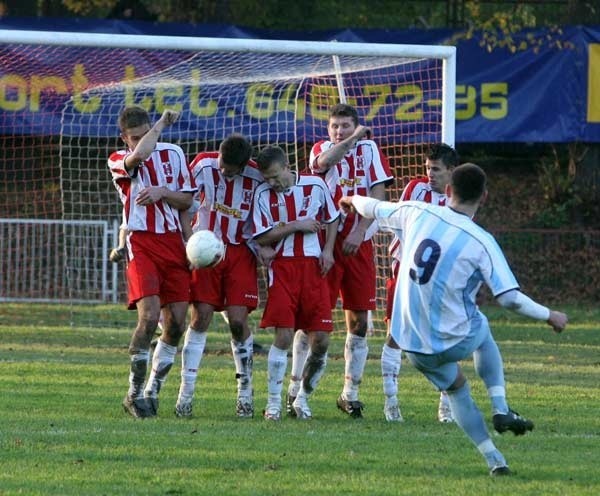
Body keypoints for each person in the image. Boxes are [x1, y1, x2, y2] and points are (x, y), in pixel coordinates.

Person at [339, 162, 567, 475]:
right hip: (458, 339)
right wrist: (550, 315)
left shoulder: (417, 211)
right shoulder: (482, 241)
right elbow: (510, 298)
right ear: (484, 197)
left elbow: (373, 206)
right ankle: (500, 407)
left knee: (458, 390)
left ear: (448, 191)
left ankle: (495, 460)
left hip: (412, 344)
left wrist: (351, 199)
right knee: (482, 327)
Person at [107, 106, 196, 418]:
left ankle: (153, 390)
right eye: (135, 137)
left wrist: (163, 193)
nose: (142, 140)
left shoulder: (173, 152)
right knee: (148, 318)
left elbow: (187, 200)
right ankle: (132, 393)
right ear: (124, 138)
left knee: (177, 324)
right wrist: (159, 124)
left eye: (145, 133)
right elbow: (140, 156)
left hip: (173, 242)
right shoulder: (118, 159)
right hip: (141, 242)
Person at [308, 103, 393, 418]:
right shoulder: (323, 148)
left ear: (355, 125)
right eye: (334, 126)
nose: (338, 131)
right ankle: (296, 392)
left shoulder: (370, 150)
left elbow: (379, 194)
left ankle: (349, 393)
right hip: (324, 245)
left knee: (358, 321)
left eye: (345, 125)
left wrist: (360, 231)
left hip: (359, 245)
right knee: (315, 320)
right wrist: (352, 138)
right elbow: (323, 164)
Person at [174, 134, 265, 419]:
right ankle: (185, 395)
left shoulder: (257, 175)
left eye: (230, 169)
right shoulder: (203, 164)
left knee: (238, 322)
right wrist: (190, 244)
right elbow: (184, 200)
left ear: (243, 166)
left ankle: (245, 394)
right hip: (205, 248)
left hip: (240, 252)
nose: (224, 171)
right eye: (222, 165)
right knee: (200, 317)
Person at [253, 145, 339, 421]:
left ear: (287, 166)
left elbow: (332, 218)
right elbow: (262, 237)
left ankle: (301, 398)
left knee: (322, 341)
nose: (273, 183)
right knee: (283, 336)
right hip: (283, 268)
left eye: (276, 176)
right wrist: (296, 225)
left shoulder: (315, 185)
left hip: (314, 267)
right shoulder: (262, 194)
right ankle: (273, 404)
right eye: (268, 178)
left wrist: (328, 251)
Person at [381, 143, 459, 423]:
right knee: (396, 334)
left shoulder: (460, 199)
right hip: (403, 270)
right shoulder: (414, 189)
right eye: (427, 168)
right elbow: (395, 221)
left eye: (436, 169)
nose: (429, 174)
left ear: (451, 171)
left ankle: (446, 407)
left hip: (439, 276)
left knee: (444, 335)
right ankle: (391, 404)